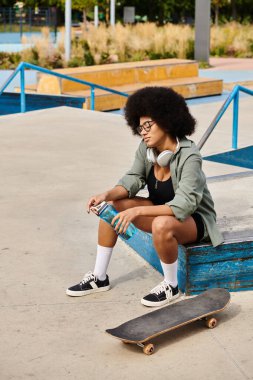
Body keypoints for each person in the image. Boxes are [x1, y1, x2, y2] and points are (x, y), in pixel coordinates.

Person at [66, 86, 224, 307]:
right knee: (111, 205)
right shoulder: (147, 149)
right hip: (161, 210)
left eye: (149, 125)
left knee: (161, 224)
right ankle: (99, 277)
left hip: (194, 220)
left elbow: (184, 205)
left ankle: (171, 285)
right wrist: (106, 194)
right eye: (140, 127)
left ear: (167, 120)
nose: (144, 132)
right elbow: (132, 178)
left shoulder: (190, 156)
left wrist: (137, 210)